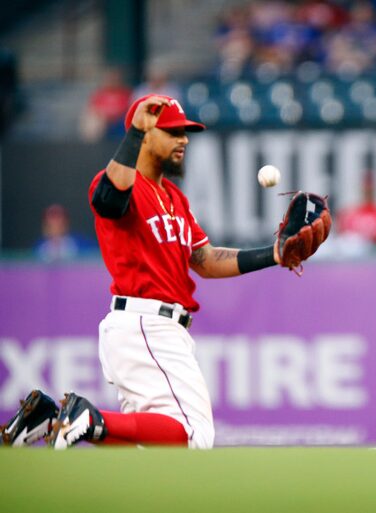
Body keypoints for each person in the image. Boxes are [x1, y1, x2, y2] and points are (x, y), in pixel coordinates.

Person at [2, 94, 315, 449]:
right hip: (145, 323)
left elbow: (206, 260)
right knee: (194, 435)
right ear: (146, 135)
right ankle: (87, 418)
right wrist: (134, 131)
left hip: (151, 329)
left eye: (185, 132)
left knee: (151, 448)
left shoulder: (174, 198)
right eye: (172, 131)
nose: (183, 139)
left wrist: (273, 255)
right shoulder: (122, 182)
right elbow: (107, 199)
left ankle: (51, 417)